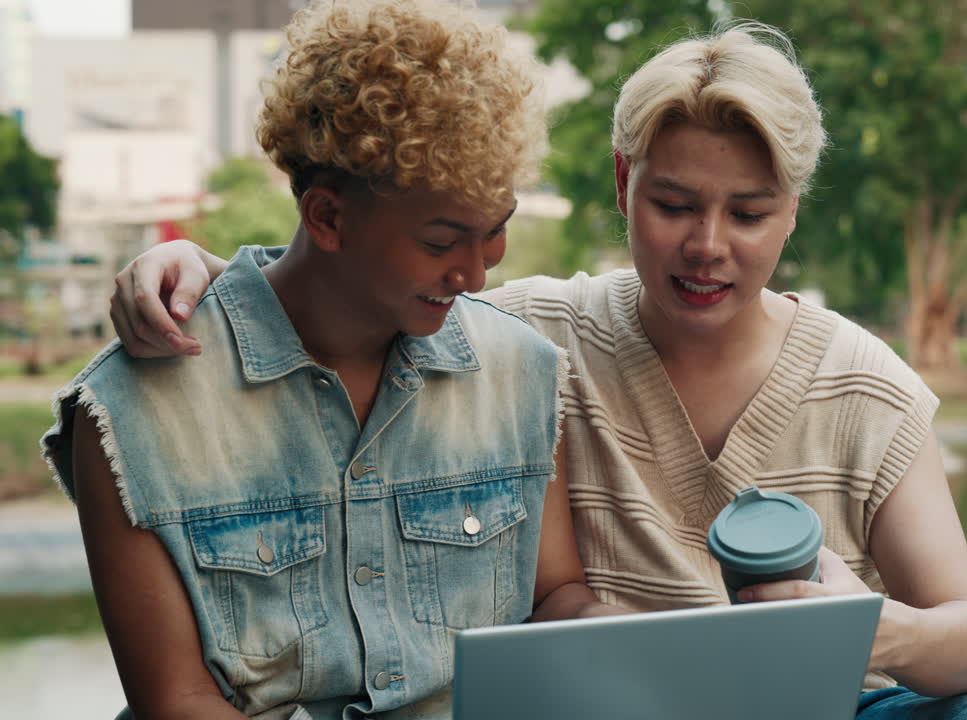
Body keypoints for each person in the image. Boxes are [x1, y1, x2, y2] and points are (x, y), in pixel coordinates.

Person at [106, 19, 967, 720]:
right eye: (674, 204)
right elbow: (345, 281)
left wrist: (845, 625)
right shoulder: (525, 333)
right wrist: (195, 271)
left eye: (748, 214)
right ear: (621, 183)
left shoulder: (858, 381)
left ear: (792, 210)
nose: (708, 246)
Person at [41, 2, 617, 718]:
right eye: (442, 242)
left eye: (494, 233)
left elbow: (554, 594)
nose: (476, 274)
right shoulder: (132, 409)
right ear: (327, 218)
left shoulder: (518, 369)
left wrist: (631, 648)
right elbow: (177, 701)